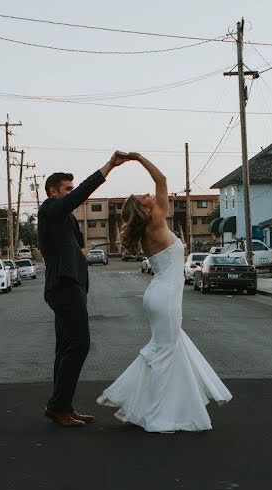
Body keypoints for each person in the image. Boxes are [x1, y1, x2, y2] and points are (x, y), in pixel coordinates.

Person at [97, 153, 231, 432]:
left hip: (157, 296)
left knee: (168, 351)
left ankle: (165, 407)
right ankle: (155, 416)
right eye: (145, 197)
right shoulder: (156, 222)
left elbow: (159, 185)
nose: (151, 195)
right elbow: (162, 179)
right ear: (144, 209)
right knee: (163, 354)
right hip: (165, 298)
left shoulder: (150, 226)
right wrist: (137, 158)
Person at [38, 151, 132, 428]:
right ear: (53, 192)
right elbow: (80, 194)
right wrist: (109, 167)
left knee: (65, 347)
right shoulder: (49, 209)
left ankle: (61, 406)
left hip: (70, 286)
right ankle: (59, 407)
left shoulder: (63, 218)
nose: (71, 193)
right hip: (64, 287)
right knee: (80, 345)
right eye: (66, 189)